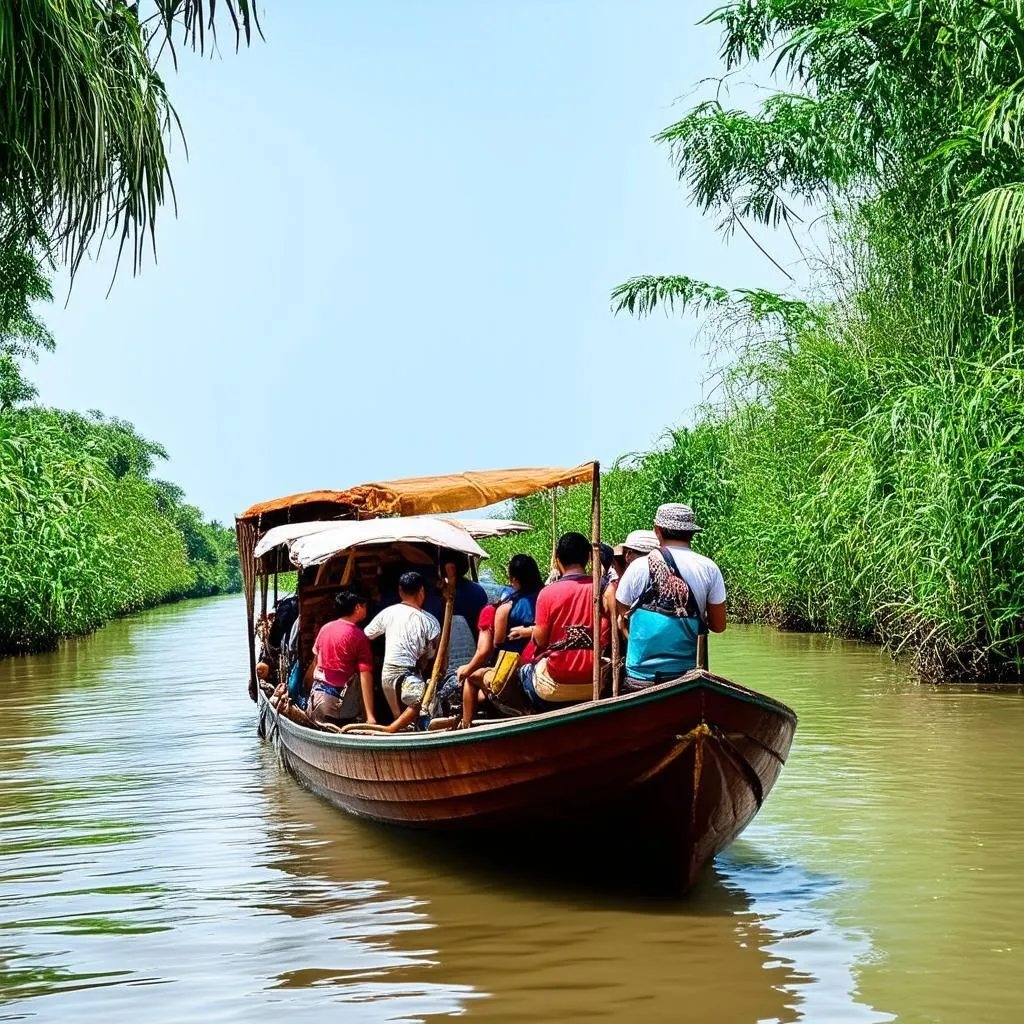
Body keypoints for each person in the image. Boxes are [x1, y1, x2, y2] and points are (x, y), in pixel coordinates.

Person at [614, 503, 726, 689]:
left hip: (640, 678)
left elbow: (624, 610)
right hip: (687, 679)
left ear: (657, 531)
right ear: (691, 533)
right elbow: (719, 626)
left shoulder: (637, 566)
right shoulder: (709, 568)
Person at [512, 532, 608, 711]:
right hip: (594, 683)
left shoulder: (547, 593)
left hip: (554, 688)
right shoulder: (602, 588)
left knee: (524, 671)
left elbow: (540, 640)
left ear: (557, 560)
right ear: (588, 558)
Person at [458, 554, 544, 728]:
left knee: (470, 678)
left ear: (513, 580)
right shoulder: (545, 596)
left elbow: (496, 644)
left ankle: (465, 724)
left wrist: (466, 670)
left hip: (512, 668)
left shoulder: (505, 608)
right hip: (539, 661)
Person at [364, 571, 441, 732]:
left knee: (400, 717)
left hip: (388, 673)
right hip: (408, 672)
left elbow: (368, 634)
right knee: (423, 702)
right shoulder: (430, 621)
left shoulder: (388, 612)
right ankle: (391, 730)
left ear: (400, 591)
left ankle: (394, 729)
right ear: (421, 592)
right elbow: (434, 653)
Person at [308, 589, 375, 726]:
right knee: (357, 677)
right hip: (338, 705)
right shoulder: (359, 636)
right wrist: (370, 716)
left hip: (317, 700)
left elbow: (315, 663)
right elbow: (365, 676)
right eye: (365, 606)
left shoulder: (325, 628)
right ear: (357, 607)